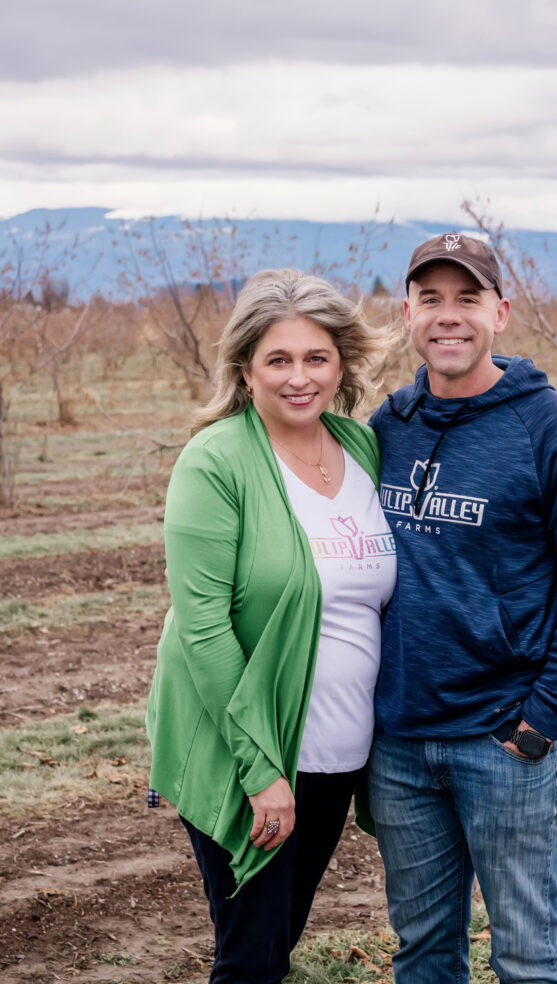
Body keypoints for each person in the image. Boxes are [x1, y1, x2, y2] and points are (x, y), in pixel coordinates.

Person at [367, 233, 557, 984]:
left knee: (526, 952)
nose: (450, 317)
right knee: (421, 952)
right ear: (407, 313)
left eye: (468, 299)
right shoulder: (386, 429)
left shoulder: (556, 432)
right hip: (401, 743)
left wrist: (542, 722)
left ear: (501, 312)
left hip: (507, 742)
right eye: (432, 300)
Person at [146, 269, 397, 984]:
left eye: (316, 358)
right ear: (245, 369)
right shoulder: (217, 460)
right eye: (277, 359)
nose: (299, 377)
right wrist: (262, 774)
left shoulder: (362, 449)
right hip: (252, 755)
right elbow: (202, 628)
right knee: (251, 957)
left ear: (341, 363)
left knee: (277, 938)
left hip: (336, 752)